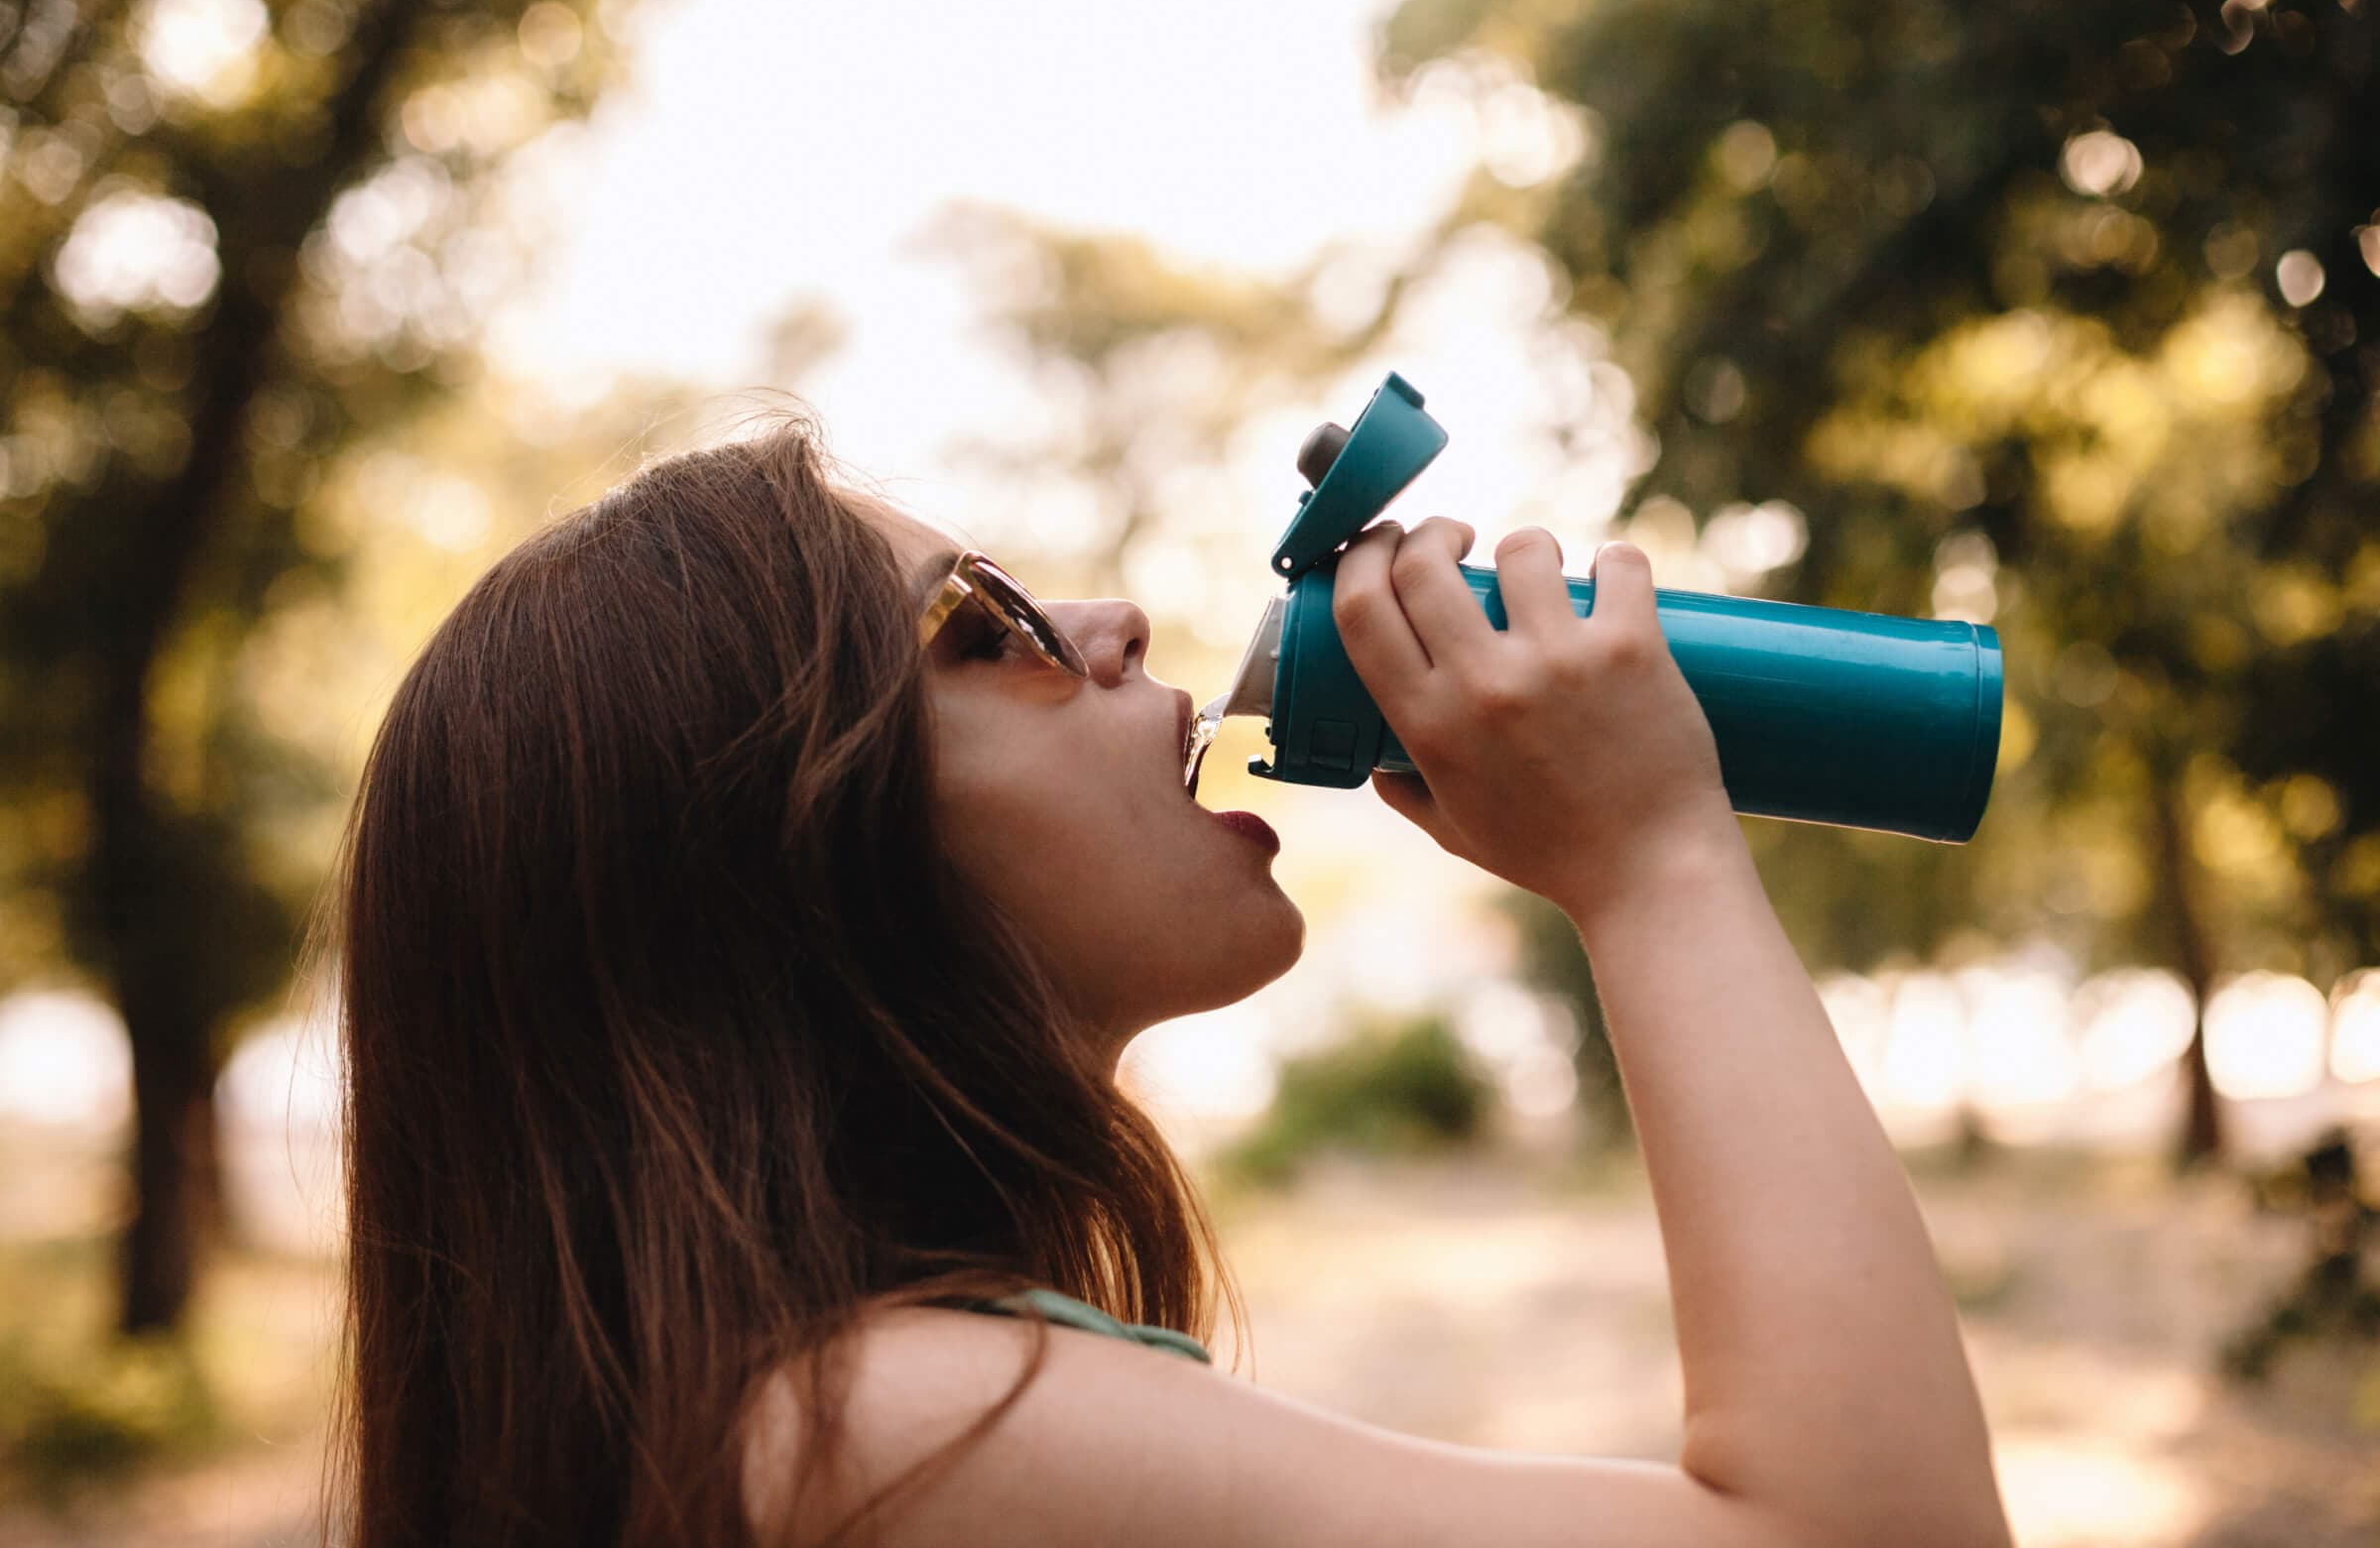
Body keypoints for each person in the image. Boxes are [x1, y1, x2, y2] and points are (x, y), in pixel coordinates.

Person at [315, 407, 2012, 1548]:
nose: (1112, 616)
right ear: (773, 867)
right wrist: (1656, 861)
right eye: (984, 630)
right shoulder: (877, 1434)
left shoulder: (803, 1422)